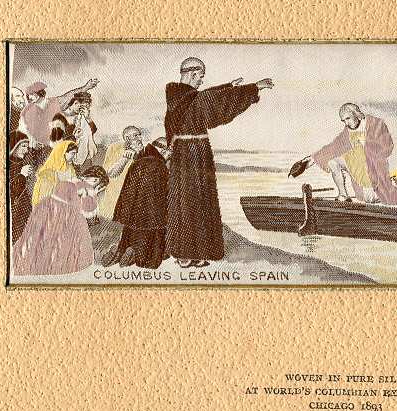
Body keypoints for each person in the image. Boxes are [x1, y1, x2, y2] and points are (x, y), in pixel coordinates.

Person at [165, 57, 273, 268]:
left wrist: (226, 87)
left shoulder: (179, 97)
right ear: (193, 73)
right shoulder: (184, 97)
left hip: (187, 153)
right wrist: (253, 88)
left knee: (195, 201)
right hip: (192, 153)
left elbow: (204, 98)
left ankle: (195, 253)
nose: (201, 81)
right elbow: (211, 102)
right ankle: (187, 253)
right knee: (191, 200)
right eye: (201, 77)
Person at [303, 103, 397, 205]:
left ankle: (395, 186)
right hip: (356, 165)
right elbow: (334, 146)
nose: (346, 123)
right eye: (343, 120)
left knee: (369, 198)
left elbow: (388, 147)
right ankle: (343, 195)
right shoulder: (348, 130)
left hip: (373, 168)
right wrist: (313, 158)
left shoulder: (376, 124)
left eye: (348, 118)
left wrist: (368, 145)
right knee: (333, 162)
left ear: (356, 114)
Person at [12, 166, 108, 276]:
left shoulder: (72, 181)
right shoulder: (83, 187)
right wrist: (94, 192)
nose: (96, 185)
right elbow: (89, 211)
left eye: (98, 185)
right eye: (96, 182)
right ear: (91, 178)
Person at [105, 139, 172, 269]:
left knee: (130, 233)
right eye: (170, 152)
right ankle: (136, 256)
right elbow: (164, 192)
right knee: (150, 250)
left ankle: (121, 251)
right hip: (151, 213)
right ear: (163, 149)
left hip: (132, 211)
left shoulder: (138, 162)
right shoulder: (159, 166)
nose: (170, 155)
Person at [19, 79, 99, 165]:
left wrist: (86, 87)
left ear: (40, 94)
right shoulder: (29, 112)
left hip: (65, 151)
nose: (29, 98)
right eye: (28, 95)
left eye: (32, 95)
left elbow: (68, 96)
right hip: (42, 148)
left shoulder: (54, 104)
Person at [98, 126, 143, 220]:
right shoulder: (115, 148)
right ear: (127, 138)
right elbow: (110, 173)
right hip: (115, 196)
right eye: (135, 135)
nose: (139, 138)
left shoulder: (143, 151)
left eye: (139, 135)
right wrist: (125, 158)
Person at [50, 91, 98, 172]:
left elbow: (92, 131)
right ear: (75, 103)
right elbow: (56, 141)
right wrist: (74, 137)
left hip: (83, 156)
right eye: (83, 107)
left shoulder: (81, 117)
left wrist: (88, 118)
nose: (84, 110)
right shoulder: (60, 118)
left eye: (87, 108)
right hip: (66, 157)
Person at [31, 141, 78, 207]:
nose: (75, 156)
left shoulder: (70, 168)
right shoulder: (48, 172)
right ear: (64, 153)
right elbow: (44, 196)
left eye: (76, 153)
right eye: (73, 153)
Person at [8, 131, 35, 244]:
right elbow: (11, 193)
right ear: (14, 146)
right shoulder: (9, 165)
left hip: (24, 211)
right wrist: (21, 175)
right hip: (14, 213)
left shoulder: (21, 163)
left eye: (27, 147)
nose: (26, 150)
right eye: (23, 146)